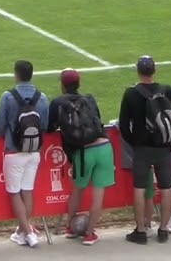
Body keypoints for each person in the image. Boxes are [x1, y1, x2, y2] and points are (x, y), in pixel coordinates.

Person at [117, 56, 171, 245]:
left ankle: (141, 230)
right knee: (166, 187)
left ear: (138, 71)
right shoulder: (166, 90)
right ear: (154, 70)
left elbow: (123, 125)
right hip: (163, 146)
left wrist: (134, 141)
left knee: (140, 187)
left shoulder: (131, 94)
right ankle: (163, 229)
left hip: (142, 148)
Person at [46, 69, 110, 246]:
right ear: (78, 83)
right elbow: (98, 119)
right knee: (98, 193)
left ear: (62, 85)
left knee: (76, 190)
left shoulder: (58, 102)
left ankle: (70, 227)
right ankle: (89, 234)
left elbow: (50, 127)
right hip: (103, 147)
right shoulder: (89, 99)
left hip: (82, 151)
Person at [0, 60, 48, 248]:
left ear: (16, 74)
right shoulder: (42, 97)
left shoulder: (8, 97)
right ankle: (21, 232)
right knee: (27, 190)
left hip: (14, 151)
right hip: (34, 151)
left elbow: (0, 126)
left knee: (14, 192)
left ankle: (29, 234)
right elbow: (44, 125)